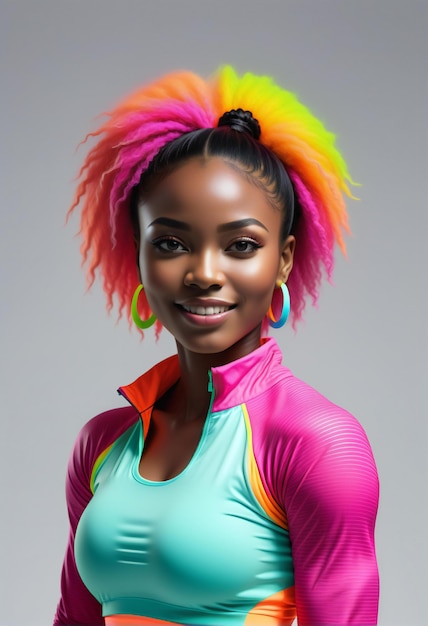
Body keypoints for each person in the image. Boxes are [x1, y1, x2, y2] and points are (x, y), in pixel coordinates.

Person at [53, 66, 379, 626]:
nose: (204, 273)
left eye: (241, 245)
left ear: (284, 258)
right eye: (173, 242)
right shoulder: (102, 442)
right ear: (138, 255)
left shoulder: (317, 444)